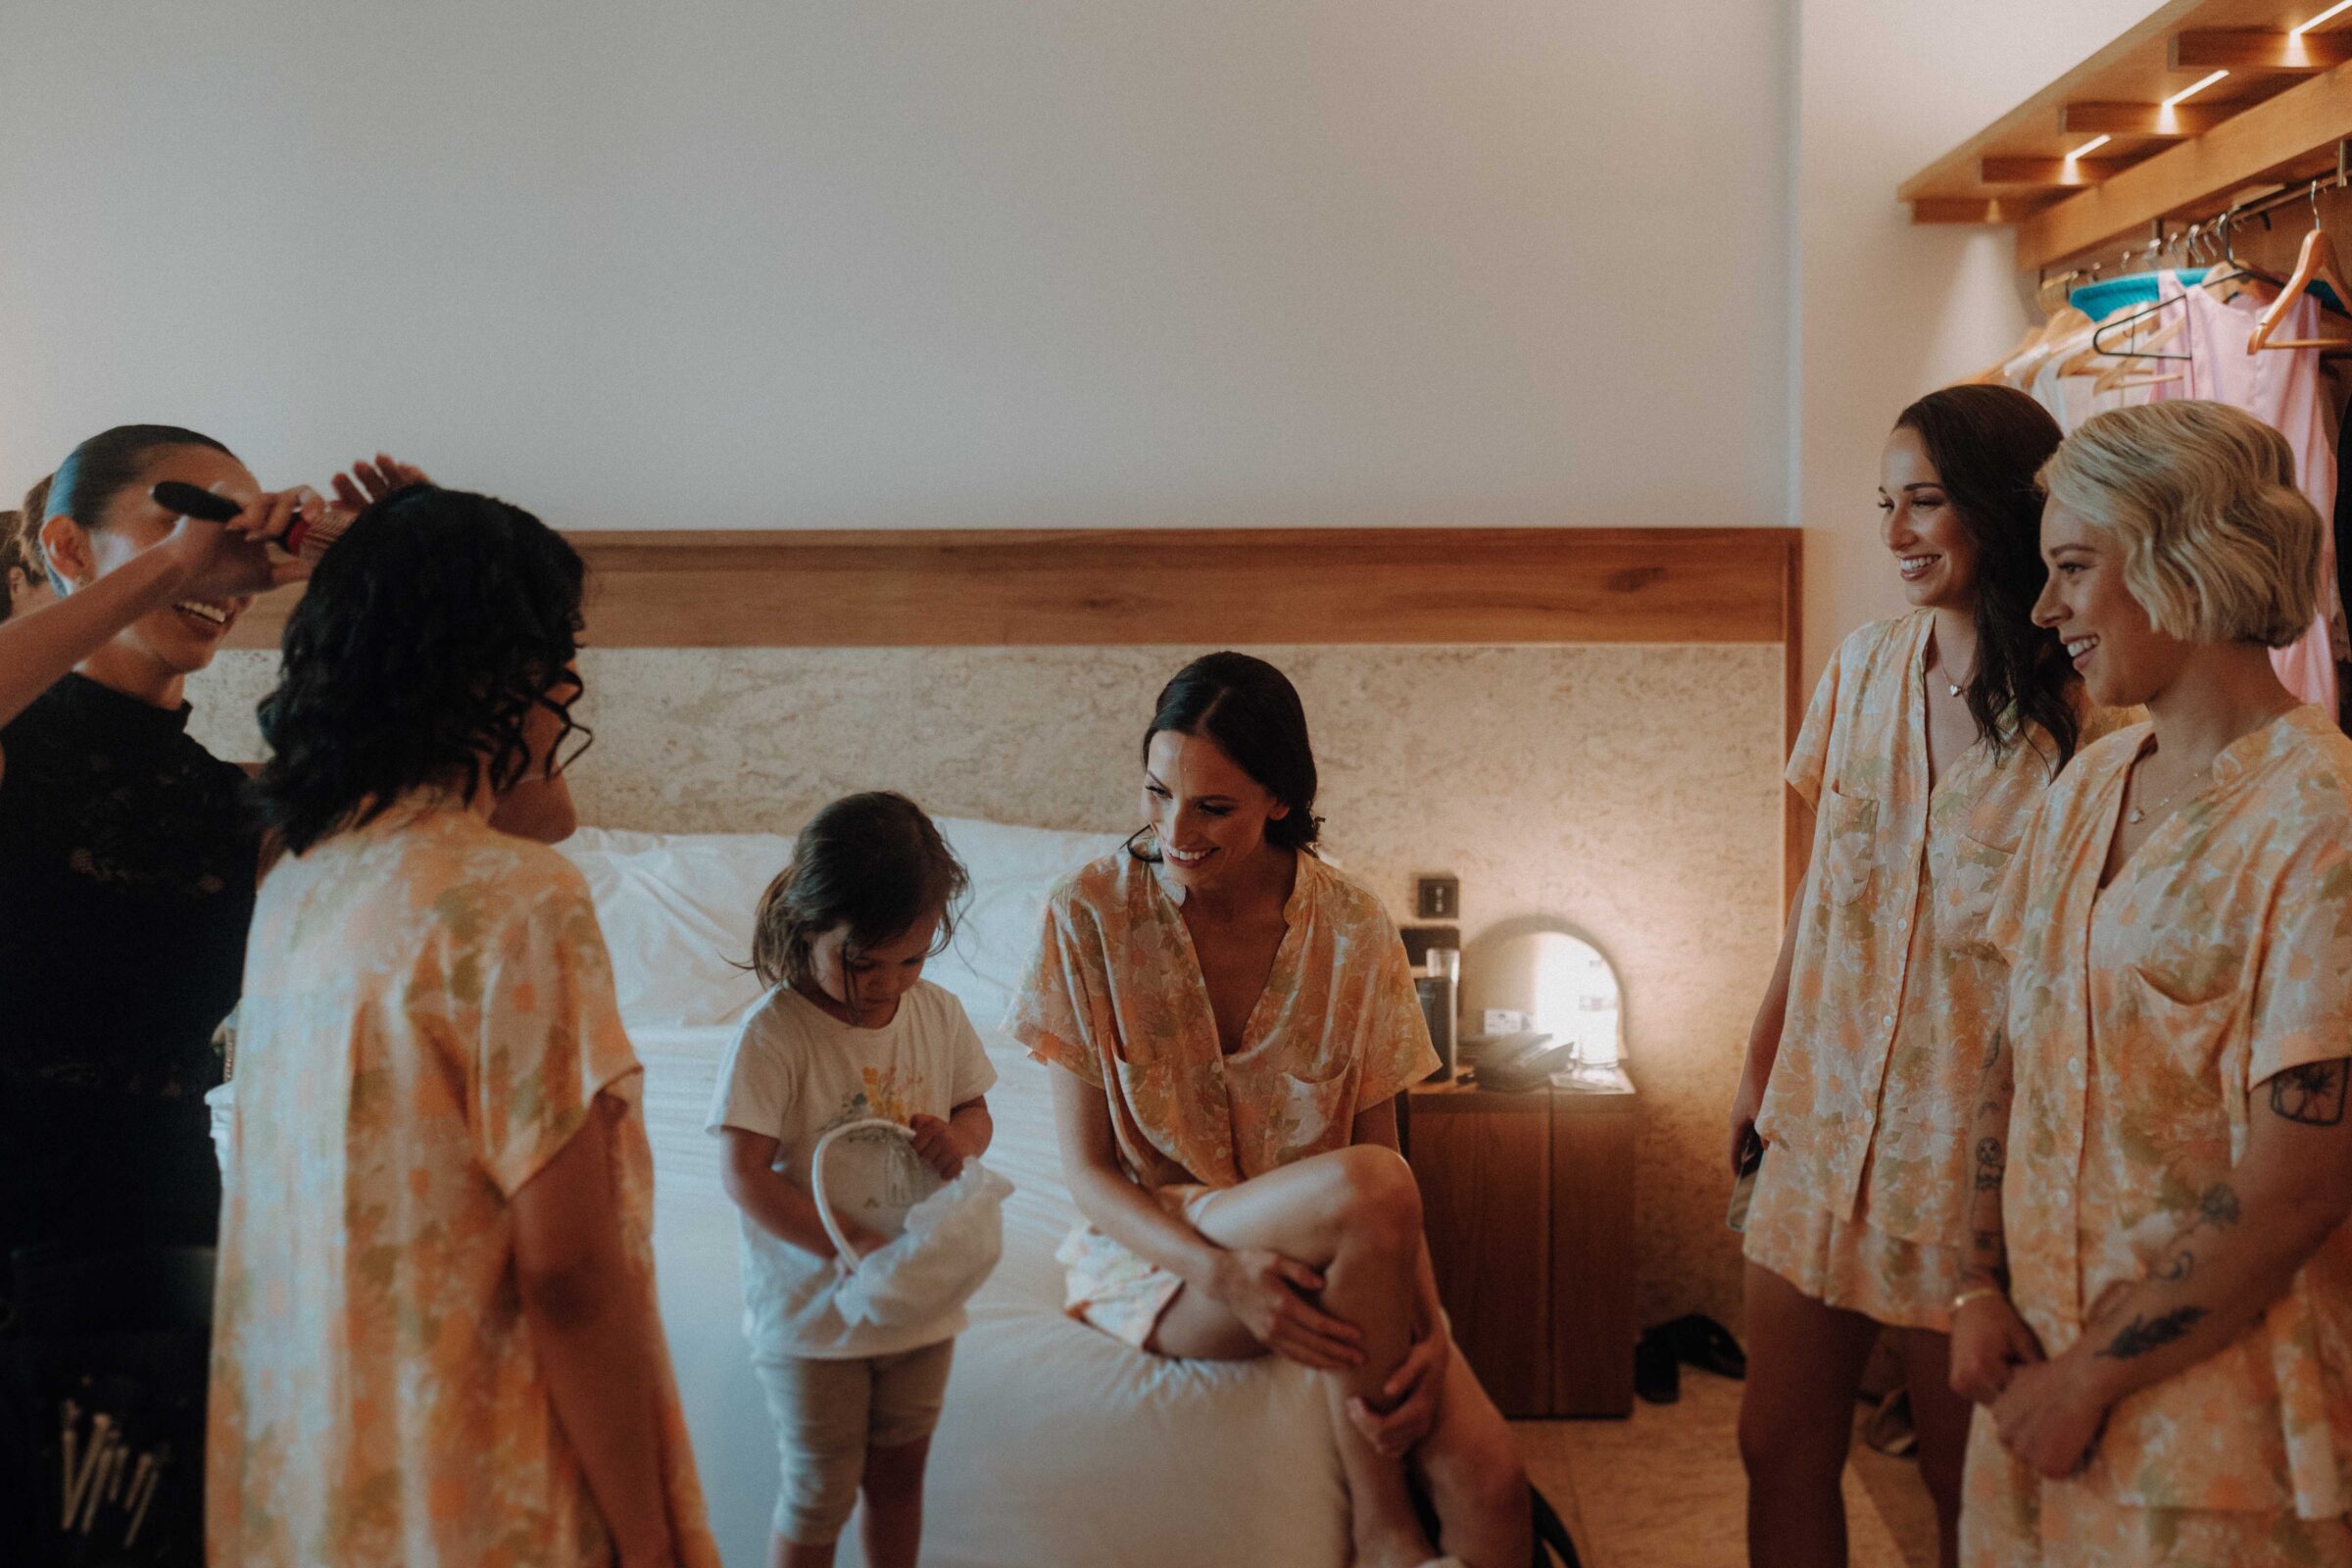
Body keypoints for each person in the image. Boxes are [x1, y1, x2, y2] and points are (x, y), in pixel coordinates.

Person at [207, 484, 715, 1567]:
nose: (571, 686)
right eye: (557, 654)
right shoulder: (517, 899)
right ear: (498, 674)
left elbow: (525, 806)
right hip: (478, 1478)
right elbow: (571, 1275)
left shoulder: (301, 882)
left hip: (319, 1475)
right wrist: (650, 1534)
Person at [1012, 652, 1530, 1568]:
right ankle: (1382, 1528)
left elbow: (1387, 1186)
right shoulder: (1087, 915)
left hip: (1341, 1239)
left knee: (1494, 1490)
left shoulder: (1354, 926)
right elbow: (1089, 1176)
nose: (1177, 830)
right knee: (1366, 1189)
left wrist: (1435, 1333)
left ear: (1280, 801)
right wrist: (1227, 1278)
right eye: (1157, 791)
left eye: (1213, 807)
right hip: (1168, 1255)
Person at [1950, 399, 2352, 1566]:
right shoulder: (2093, 781)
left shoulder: (2316, 825)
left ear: (2187, 561)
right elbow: (2014, 1039)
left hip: (2215, 1447)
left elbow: (2300, 1180)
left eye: (2074, 567)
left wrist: (2086, 1379)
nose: (2043, 608)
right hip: (2033, 1400)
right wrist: (1978, 1283)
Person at [1729, 385, 2119, 1568]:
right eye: (1886, 505)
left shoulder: (2094, 716)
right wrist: (1759, 1064)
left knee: (1969, 1485)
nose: (1897, 533)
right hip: (1819, 1122)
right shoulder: (1859, 671)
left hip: (1973, 1165)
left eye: (1926, 503)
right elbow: (1820, 898)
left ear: (2001, 512)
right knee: (1775, 1442)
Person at [709, 791, 997, 1568]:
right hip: (812, 1311)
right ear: (808, 926)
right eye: (863, 962)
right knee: (819, 1488)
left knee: (900, 1480)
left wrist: (957, 1142)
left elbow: (976, 1108)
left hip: (917, 1299)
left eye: (913, 959)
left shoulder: (935, 1013)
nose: (889, 985)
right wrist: (849, 1246)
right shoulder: (775, 1034)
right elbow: (742, 1174)